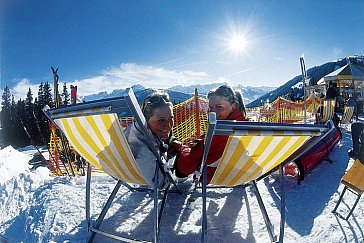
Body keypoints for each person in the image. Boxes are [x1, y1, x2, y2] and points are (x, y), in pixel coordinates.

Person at [175, 85, 248, 183]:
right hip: (240, 172)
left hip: (214, 174)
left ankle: (179, 179)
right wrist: (200, 143)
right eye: (211, 107)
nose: (213, 112)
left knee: (182, 155)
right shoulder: (246, 126)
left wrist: (185, 150)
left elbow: (196, 158)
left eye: (219, 107)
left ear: (233, 106)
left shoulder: (222, 130)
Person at [123, 91, 181, 188]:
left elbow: (164, 135)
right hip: (146, 175)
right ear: (145, 119)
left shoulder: (135, 129)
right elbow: (160, 183)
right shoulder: (143, 149)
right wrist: (170, 178)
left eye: (171, 118)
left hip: (119, 170)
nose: (169, 125)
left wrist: (170, 141)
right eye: (161, 120)